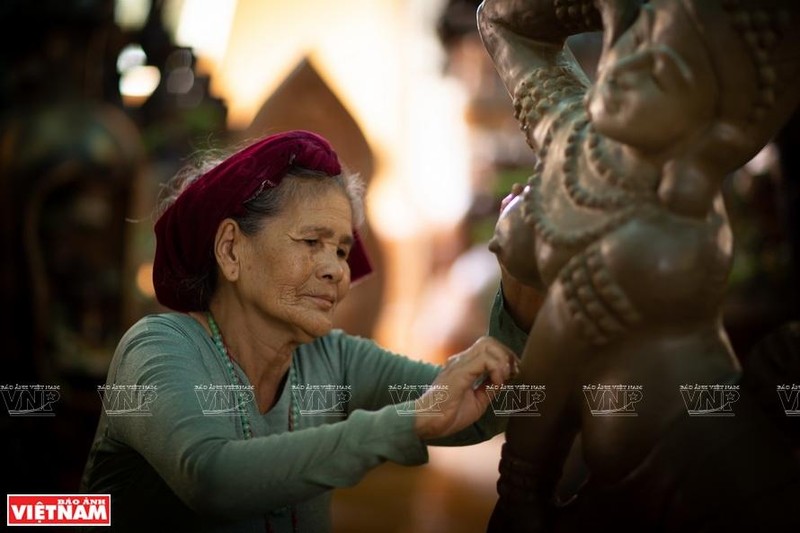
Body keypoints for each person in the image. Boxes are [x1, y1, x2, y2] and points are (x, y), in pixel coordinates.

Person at [79, 130, 529, 532]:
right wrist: (409, 419)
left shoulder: (332, 359)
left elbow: (482, 410)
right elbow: (213, 479)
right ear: (232, 249)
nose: (337, 269)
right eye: (312, 242)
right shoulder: (158, 348)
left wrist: (518, 276)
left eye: (342, 250)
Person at [477, 0, 800, 531]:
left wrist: (520, 490)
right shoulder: (577, 139)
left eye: (657, 69)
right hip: (620, 470)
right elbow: (500, 21)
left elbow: (553, 365)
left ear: (719, 130)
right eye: (630, 40)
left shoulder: (667, 239)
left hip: (699, 473)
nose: (619, 66)